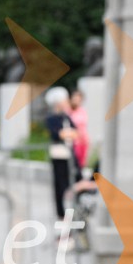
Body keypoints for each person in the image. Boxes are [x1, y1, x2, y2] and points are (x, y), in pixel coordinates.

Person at [44, 87, 80, 222]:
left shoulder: (66, 117)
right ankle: (61, 214)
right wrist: (67, 133)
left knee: (76, 179)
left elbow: (76, 133)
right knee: (59, 185)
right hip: (58, 155)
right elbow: (58, 134)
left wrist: (67, 133)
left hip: (70, 154)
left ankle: (76, 210)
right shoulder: (51, 118)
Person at [69, 89, 90, 170]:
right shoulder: (68, 111)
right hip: (73, 141)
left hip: (83, 140)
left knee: (82, 164)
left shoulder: (82, 111)